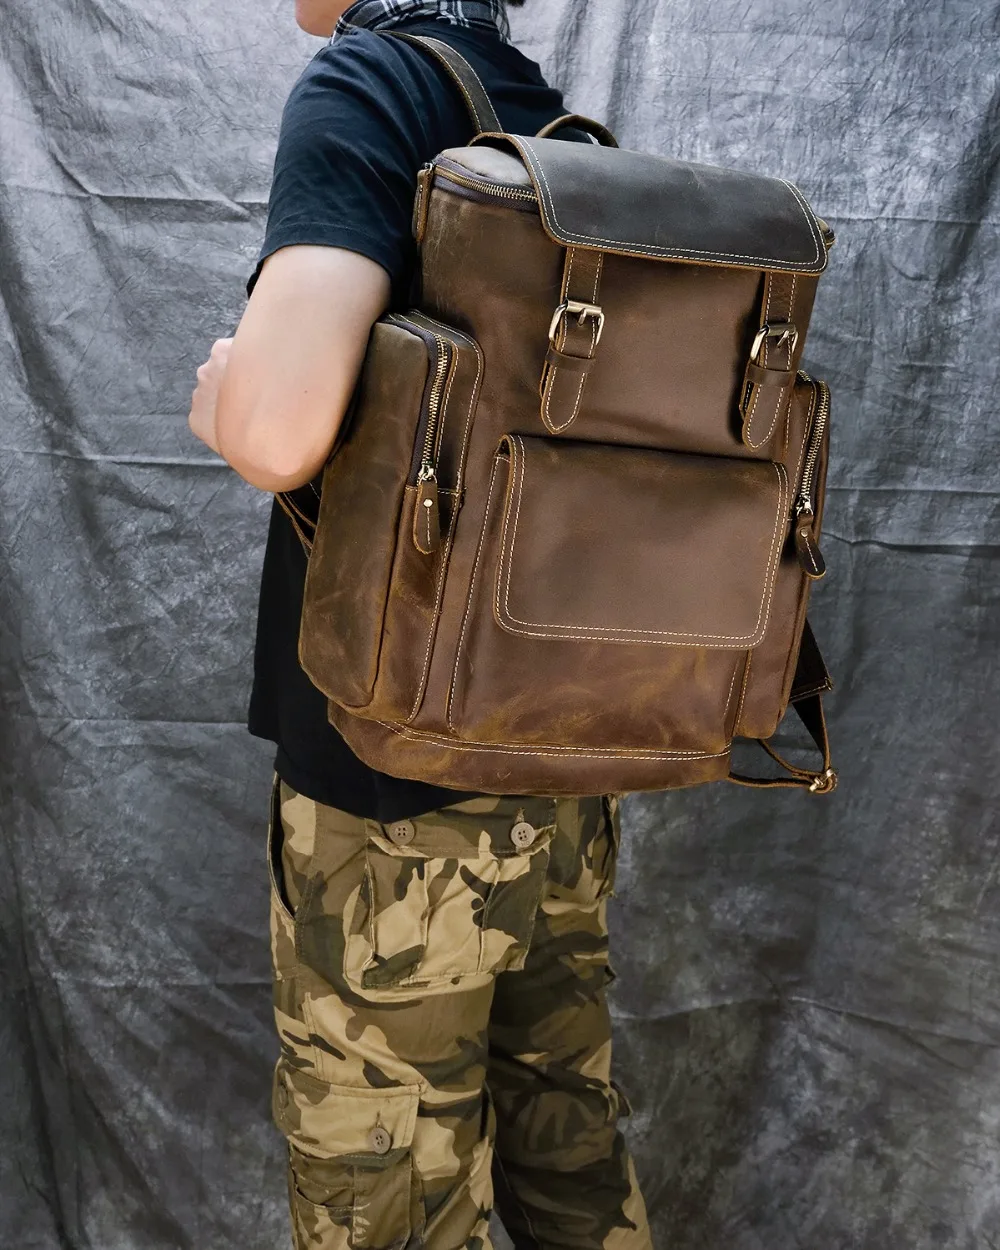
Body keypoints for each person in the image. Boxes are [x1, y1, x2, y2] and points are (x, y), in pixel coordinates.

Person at [187, 2, 653, 1246]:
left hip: (392, 781)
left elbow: (277, 430)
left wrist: (221, 396)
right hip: (561, 763)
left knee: (382, 1199)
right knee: (569, 1151)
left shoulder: (371, 85)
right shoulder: (545, 115)